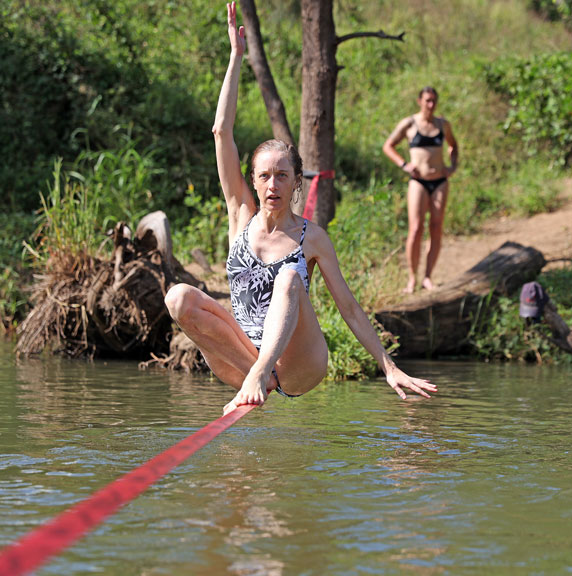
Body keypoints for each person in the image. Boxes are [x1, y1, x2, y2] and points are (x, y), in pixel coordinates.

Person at [164, 2, 436, 413]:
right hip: (242, 357)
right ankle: (255, 371)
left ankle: (261, 374)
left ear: (295, 183)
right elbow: (222, 131)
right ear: (253, 181)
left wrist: (388, 365)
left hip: (299, 365)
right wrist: (236, 58)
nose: (273, 184)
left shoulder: (313, 237)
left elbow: (348, 307)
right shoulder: (240, 213)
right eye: (265, 176)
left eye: (282, 176)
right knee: (178, 297)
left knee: (290, 279)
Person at [382, 87, 459, 293]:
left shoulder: (442, 124)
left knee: (436, 226)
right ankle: (412, 278)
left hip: (440, 181)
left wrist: (452, 166)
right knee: (416, 229)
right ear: (419, 101)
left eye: (434, 101)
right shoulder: (409, 124)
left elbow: (454, 146)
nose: (431, 105)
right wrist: (404, 164)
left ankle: (427, 277)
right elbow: (388, 145)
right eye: (427, 101)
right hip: (418, 182)